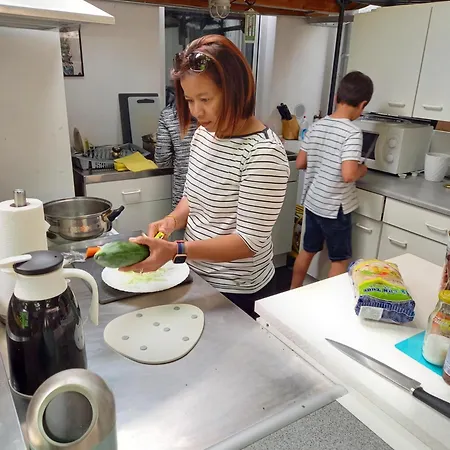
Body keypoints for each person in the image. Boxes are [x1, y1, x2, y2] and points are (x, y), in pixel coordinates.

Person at [122, 34, 290, 319]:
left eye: (205, 99)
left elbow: (247, 243)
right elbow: (193, 196)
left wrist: (175, 249)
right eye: (189, 100)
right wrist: (172, 220)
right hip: (196, 276)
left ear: (236, 91)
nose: (196, 111)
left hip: (237, 291)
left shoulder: (263, 153)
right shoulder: (204, 134)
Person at [291, 71, 374, 289]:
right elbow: (349, 174)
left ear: (337, 97)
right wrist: (362, 169)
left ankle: (292, 291)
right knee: (339, 260)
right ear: (363, 104)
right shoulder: (352, 132)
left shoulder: (317, 125)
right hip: (335, 207)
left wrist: (322, 162)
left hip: (313, 201)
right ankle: (327, 304)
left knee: (307, 251)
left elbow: (300, 162)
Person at [155, 92, 197, 210]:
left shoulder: (169, 115)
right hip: (217, 200)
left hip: (183, 196)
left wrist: (180, 161)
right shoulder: (217, 114)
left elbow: (162, 160)